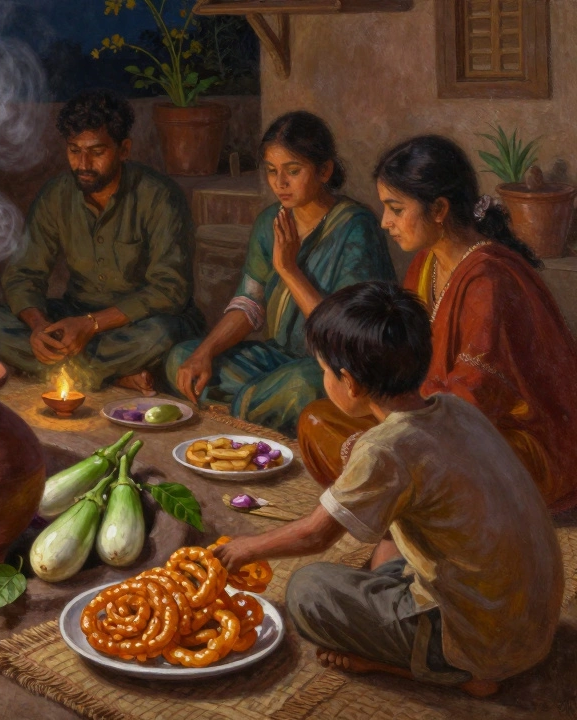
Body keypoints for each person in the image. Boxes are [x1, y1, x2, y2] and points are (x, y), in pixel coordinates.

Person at [215, 281, 562, 699]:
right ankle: (428, 638)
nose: (323, 379)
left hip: (480, 642)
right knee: (389, 539)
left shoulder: (385, 449)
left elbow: (317, 535)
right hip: (529, 621)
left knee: (308, 590)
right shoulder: (452, 409)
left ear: (351, 382)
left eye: (325, 371)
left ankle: (438, 670)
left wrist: (245, 549)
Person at [298, 135, 577, 511]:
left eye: (396, 209)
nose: (385, 222)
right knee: (317, 422)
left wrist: (394, 420)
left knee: (406, 460)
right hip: (431, 424)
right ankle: (400, 492)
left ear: (440, 208)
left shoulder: (488, 280)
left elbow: (473, 405)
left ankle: (402, 497)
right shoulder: (425, 265)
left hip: (502, 441)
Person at [164, 112, 394, 435]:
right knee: (182, 358)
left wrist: (288, 269)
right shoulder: (270, 222)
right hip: (277, 358)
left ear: (324, 170)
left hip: (331, 368)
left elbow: (347, 336)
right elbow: (249, 303)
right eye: (272, 172)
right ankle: (261, 403)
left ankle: (240, 408)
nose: (280, 184)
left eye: (293, 171)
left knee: (302, 385)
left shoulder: (356, 228)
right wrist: (204, 353)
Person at [0, 89, 202, 393]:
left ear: (124, 149)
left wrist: (91, 325)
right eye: (74, 150)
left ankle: (71, 373)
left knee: (162, 335)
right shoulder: (56, 195)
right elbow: (24, 275)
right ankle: (113, 376)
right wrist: (39, 328)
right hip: (74, 314)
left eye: (97, 151)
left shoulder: (160, 196)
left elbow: (170, 290)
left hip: (140, 325)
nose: (83, 163)